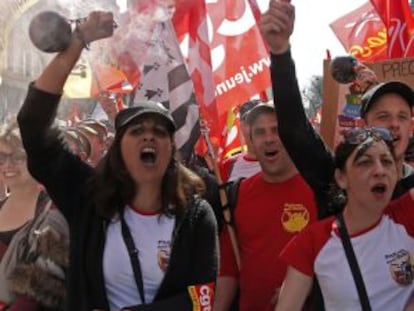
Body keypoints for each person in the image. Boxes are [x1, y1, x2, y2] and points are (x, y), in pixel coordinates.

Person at [17, 11, 218, 311]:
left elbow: (201, 298)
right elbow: (34, 126)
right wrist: (78, 41)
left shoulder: (196, 215)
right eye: (137, 131)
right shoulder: (88, 198)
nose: (148, 137)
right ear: (118, 148)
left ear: (171, 146)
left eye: (159, 132)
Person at [259, 0, 414, 220]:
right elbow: (295, 131)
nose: (394, 124)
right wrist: (280, 52)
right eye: (383, 116)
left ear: (411, 127)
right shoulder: (337, 181)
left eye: (403, 116)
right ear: (364, 125)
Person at [276, 126, 414, 311]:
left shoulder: (406, 215)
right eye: (365, 162)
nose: (380, 171)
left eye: (387, 161)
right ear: (341, 178)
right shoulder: (312, 241)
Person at [214, 102, 318, 311]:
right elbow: (228, 268)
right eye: (260, 132)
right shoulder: (237, 194)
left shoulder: (320, 191)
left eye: (276, 130)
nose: (269, 138)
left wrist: (303, 288)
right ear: (251, 142)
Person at [0, 118, 69, 310]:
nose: (7, 165)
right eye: (1, 157)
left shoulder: (54, 213)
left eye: (18, 157)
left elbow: (45, 291)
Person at [219, 99, 263, 182]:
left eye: (262, 120)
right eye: (250, 121)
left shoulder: (286, 159)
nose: (258, 126)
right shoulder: (228, 165)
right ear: (242, 127)